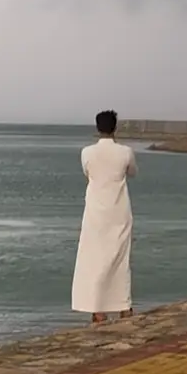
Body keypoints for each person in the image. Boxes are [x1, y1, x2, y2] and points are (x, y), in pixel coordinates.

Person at [71, 110, 137, 322]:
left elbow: (87, 173)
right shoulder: (125, 152)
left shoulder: (87, 153)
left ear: (97, 127)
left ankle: (97, 309)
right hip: (119, 211)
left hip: (95, 212)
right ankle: (124, 306)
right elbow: (133, 171)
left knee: (94, 259)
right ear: (115, 127)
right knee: (120, 258)